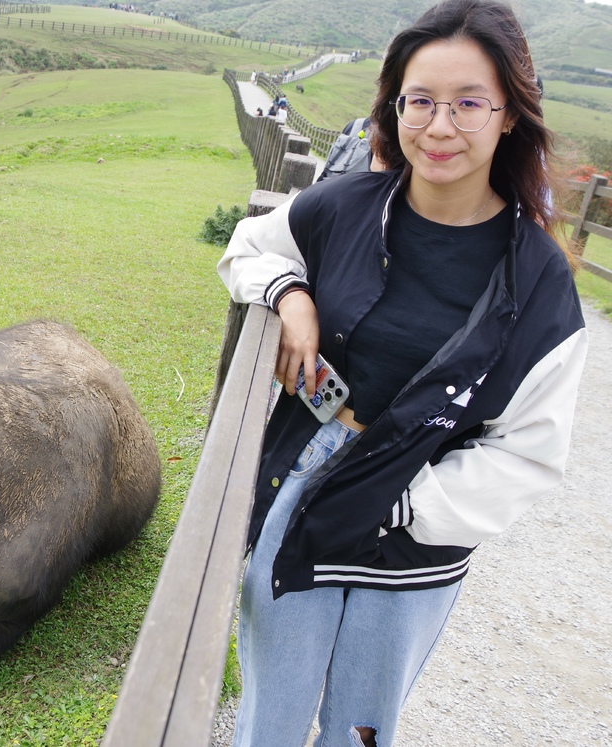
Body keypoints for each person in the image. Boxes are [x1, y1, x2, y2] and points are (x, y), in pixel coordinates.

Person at [216, 1, 587, 746]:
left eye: (468, 103)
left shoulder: (539, 280)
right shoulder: (346, 209)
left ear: (509, 114)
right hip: (305, 494)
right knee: (271, 722)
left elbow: (530, 448)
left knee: (363, 730)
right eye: (420, 101)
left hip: (418, 535)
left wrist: (405, 503)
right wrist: (291, 296)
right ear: (395, 105)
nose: (439, 126)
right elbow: (249, 247)